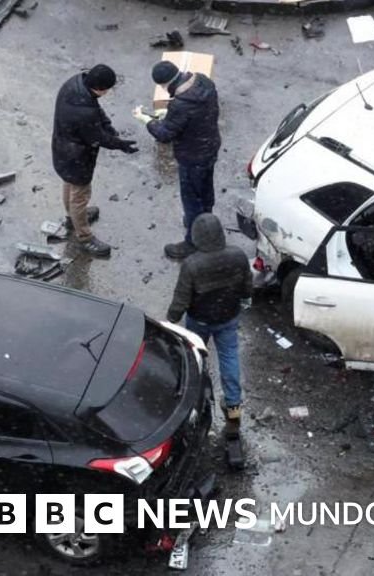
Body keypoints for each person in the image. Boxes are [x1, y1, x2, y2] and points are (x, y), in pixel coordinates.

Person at [166, 213, 251, 425]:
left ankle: (191, 400)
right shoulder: (238, 256)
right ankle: (233, 405)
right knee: (229, 357)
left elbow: (182, 298)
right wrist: (244, 300)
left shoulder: (192, 264)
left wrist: (170, 320)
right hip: (228, 317)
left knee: (194, 357)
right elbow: (247, 285)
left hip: (199, 320)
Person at [133, 61, 221, 260]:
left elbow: (165, 134)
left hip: (192, 156)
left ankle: (193, 240)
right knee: (206, 189)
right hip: (210, 147)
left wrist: (147, 120)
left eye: (163, 87)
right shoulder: (204, 82)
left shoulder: (181, 104)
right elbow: (196, 115)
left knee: (191, 200)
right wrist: (168, 113)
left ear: (166, 84)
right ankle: (207, 221)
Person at [52, 64, 138, 258]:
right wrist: (120, 144)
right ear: (100, 88)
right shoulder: (84, 113)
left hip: (63, 149)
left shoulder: (74, 83)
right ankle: (84, 236)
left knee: (69, 184)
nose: (107, 92)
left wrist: (107, 126)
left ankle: (71, 218)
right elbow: (98, 138)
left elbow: (96, 110)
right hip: (78, 157)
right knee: (80, 195)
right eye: (107, 89)